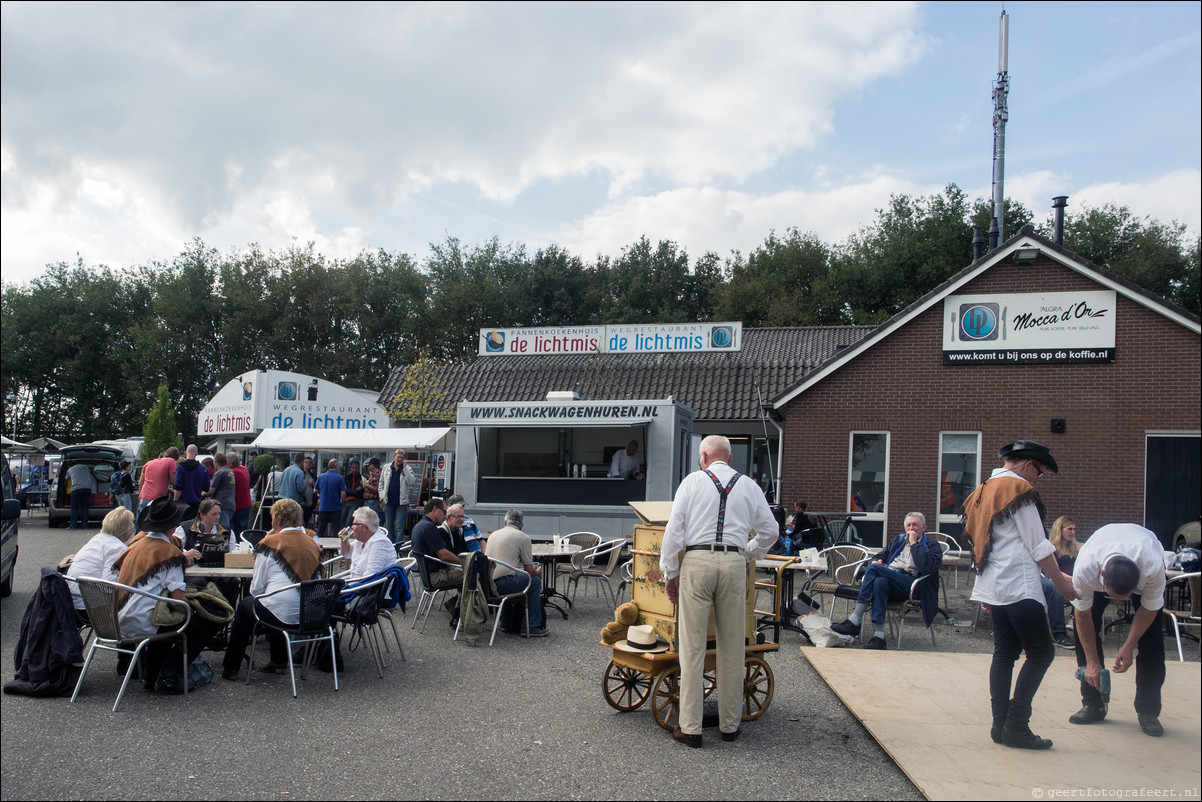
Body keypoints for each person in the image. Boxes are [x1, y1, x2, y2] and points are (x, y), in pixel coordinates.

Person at [660, 435, 778, 747]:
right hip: (734, 563)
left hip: (697, 560)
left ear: (705, 455)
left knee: (692, 646)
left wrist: (670, 572)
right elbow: (772, 531)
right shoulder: (749, 485)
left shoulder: (692, 481)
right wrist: (749, 552)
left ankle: (691, 728)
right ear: (728, 457)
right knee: (731, 647)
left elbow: (674, 531)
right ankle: (729, 726)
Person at [964, 440, 1077, 750]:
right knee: (1042, 653)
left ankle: (1000, 725)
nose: (1036, 481)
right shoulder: (1018, 490)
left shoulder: (983, 490)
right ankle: (1016, 726)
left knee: (1005, 653)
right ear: (1027, 465)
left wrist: (986, 587)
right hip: (1019, 585)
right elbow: (1037, 546)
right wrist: (1062, 584)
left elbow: (980, 543)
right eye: (1038, 474)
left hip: (996, 585)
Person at [1067, 523, 1168, 737]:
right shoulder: (1086, 567)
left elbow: (1149, 610)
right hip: (1100, 553)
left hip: (1144, 552)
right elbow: (1083, 615)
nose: (1115, 602)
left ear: (1136, 584)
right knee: (1083, 635)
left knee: (1152, 642)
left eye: (1123, 598)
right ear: (1102, 576)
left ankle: (1148, 711)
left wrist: (1129, 646)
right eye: (1112, 595)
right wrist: (1092, 662)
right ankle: (1093, 704)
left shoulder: (1152, 567)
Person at [113, 496, 219, 690]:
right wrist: (195, 609)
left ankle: (150, 674)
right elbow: (179, 599)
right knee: (204, 620)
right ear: (173, 526)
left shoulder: (135, 545)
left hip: (117, 619)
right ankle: (168, 673)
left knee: (166, 615)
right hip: (143, 622)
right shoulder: (169, 552)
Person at [221, 499, 322, 681]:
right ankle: (278, 662)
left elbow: (256, 588)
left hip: (282, 612)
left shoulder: (270, 542)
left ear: (278, 520)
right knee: (274, 603)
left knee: (247, 606)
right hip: (311, 613)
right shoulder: (312, 542)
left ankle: (231, 667)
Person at [830, 512, 943, 649]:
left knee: (873, 570)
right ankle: (879, 637)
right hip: (893, 581)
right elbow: (878, 556)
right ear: (905, 527)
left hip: (914, 585)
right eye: (909, 525)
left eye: (915, 525)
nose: (911, 528)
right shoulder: (898, 540)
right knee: (879, 582)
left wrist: (914, 544)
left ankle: (855, 620)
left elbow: (926, 567)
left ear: (923, 528)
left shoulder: (932, 545)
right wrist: (877, 560)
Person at [486, 509, 546, 637]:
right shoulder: (523, 537)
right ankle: (531, 625)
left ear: (505, 521)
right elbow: (529, 571)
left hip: (486, 584)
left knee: (511, 575)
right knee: (534, 582)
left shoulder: (493, 534)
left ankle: (505, 622)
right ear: (521, 525)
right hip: (501, 585)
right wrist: (538, 572)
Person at [66, 507, 135, 613]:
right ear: (126, 529)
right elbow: (109, 584)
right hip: (90, 606)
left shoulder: (97, 539)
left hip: (71, 600)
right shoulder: (117, 548)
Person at [410, 498, 460, 623]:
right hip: (436, 576)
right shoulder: (429, 528)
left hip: (427, 576)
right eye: (444, 511)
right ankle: (461, 613)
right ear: (434, 509)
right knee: (474, 574)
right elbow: (444, 555)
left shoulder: (419, 525)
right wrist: (464, 562)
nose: (445, 516)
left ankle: (457, 607)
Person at [337, 506, 395, 581]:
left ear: (364, 527)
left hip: (369, 590)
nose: (352, 527)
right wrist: (344, 538)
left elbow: (370, 576)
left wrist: (348, 588)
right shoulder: (361, 540)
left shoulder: (380, 543)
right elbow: (345, 553)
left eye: (354, 524)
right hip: (357, 585)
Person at [379, 450, 416, 545]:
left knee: (400, 527)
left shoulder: (407, 468)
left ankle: (398, 548)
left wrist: (405, 469)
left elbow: (411, 481)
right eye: (398, 457)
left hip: (401, 502)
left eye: (401, 458)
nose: (399, 459)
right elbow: (381, 483)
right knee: (389, 526)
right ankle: (390, 547)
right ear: (394, 457)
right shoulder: (387, 467)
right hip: (388, 501)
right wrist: (382, 496)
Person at [137, 447, 180, 518]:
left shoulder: (149, 463)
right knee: (155, 526)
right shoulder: (171, 461)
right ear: (176, 457)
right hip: (156, 500)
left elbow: (141, 483)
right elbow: (174, 482)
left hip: (143, 498)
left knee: (142, 525)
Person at [173, 444, 210, 522]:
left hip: (182, 503)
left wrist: (175, 501)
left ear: (185, 453)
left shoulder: (180, 467)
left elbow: (178, 486)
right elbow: (206, 488)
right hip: (196, 503)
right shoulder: (203, 469)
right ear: (196, 454)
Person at [313, 458, 347, 540]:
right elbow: (343, 493)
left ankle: (319, 546)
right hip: (335, 507)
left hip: (323, 507)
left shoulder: (321, 477)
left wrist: (320, 493)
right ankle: (336, 547)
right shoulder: (340, 478)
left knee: (321, 528)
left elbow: (315, 490)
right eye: (338, 466)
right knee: (336, 528)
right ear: (336, 466)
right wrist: (343, 503)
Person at [207, 453, 236, 529]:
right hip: (231, 504)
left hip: (222, 503)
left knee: (223, 529)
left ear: (216, 462)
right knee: (229, 527)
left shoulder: (219, 473)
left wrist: (204, 493)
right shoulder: (230, 471)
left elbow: (211, 491)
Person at [66, 460, 96, 530]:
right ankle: (85, 525)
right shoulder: (86, 467)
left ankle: (72, 526)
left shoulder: (70, 469)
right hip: (87, 489)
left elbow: (66, 478)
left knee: (74, 508)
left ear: (70, 466)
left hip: (76, 489)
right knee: (85, 507)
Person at [228, 453, 252, 537]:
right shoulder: (243, 469)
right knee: (243, 528)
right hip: (247, 503)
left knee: (237, 530)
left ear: (231, 463)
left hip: (239, 504)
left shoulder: (233, 472)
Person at [340, 460, 364, 529]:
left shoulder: (361, 478)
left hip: (355, 502)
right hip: (346, 501)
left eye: (356, 468)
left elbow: (359, 492)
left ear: (359, 468)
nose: (354, 469)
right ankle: (342, 537)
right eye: (353, 468)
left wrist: (349, 490)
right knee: (342, 520)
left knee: (349, 522)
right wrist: (355, 491)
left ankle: (347, 537)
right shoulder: (347, 478)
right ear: (350, 468)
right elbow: (344, 489)